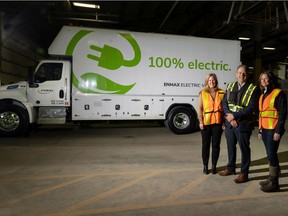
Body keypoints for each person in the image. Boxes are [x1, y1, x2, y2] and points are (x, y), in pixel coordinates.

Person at [219, 64, 259, 183]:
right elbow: (224, 104)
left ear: (248, 75)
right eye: (240, 73)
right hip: (230, 123)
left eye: (244, 73)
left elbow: (251, 107)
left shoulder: (253, 88)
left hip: (244, 124)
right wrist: (230, 118)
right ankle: (231, 168)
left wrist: (235, 116)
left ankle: (244, 173)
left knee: (244, 148)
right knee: (230, 146)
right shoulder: (230, 86)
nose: (242, 75)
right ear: (236, 74)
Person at [258, 71, 287, 192]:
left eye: (266, 78)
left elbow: (282, 113)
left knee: (271, 154)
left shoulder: (278, 93)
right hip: (264, 129)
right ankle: (271, 178)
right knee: (270, 154)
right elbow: (261, 114)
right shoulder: (262, 94)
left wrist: (278, 131)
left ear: (271, 79)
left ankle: (274, 183)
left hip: (273, 130)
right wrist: (260, 130)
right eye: (262, 79)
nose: (264, 81)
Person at [198, 73, 225, 175]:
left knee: (216, 145)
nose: (211, 82)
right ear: (207, 82)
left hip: (218, 123)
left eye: (213, 80)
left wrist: (224, 122)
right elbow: (200, 108)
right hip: (206, 123)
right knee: (205, 145)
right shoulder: (203, 93)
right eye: (209, 80)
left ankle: (214, 166)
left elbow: (225, 110)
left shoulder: (222, 93)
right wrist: (200, 121)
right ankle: (205, 166)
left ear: (216, 81)